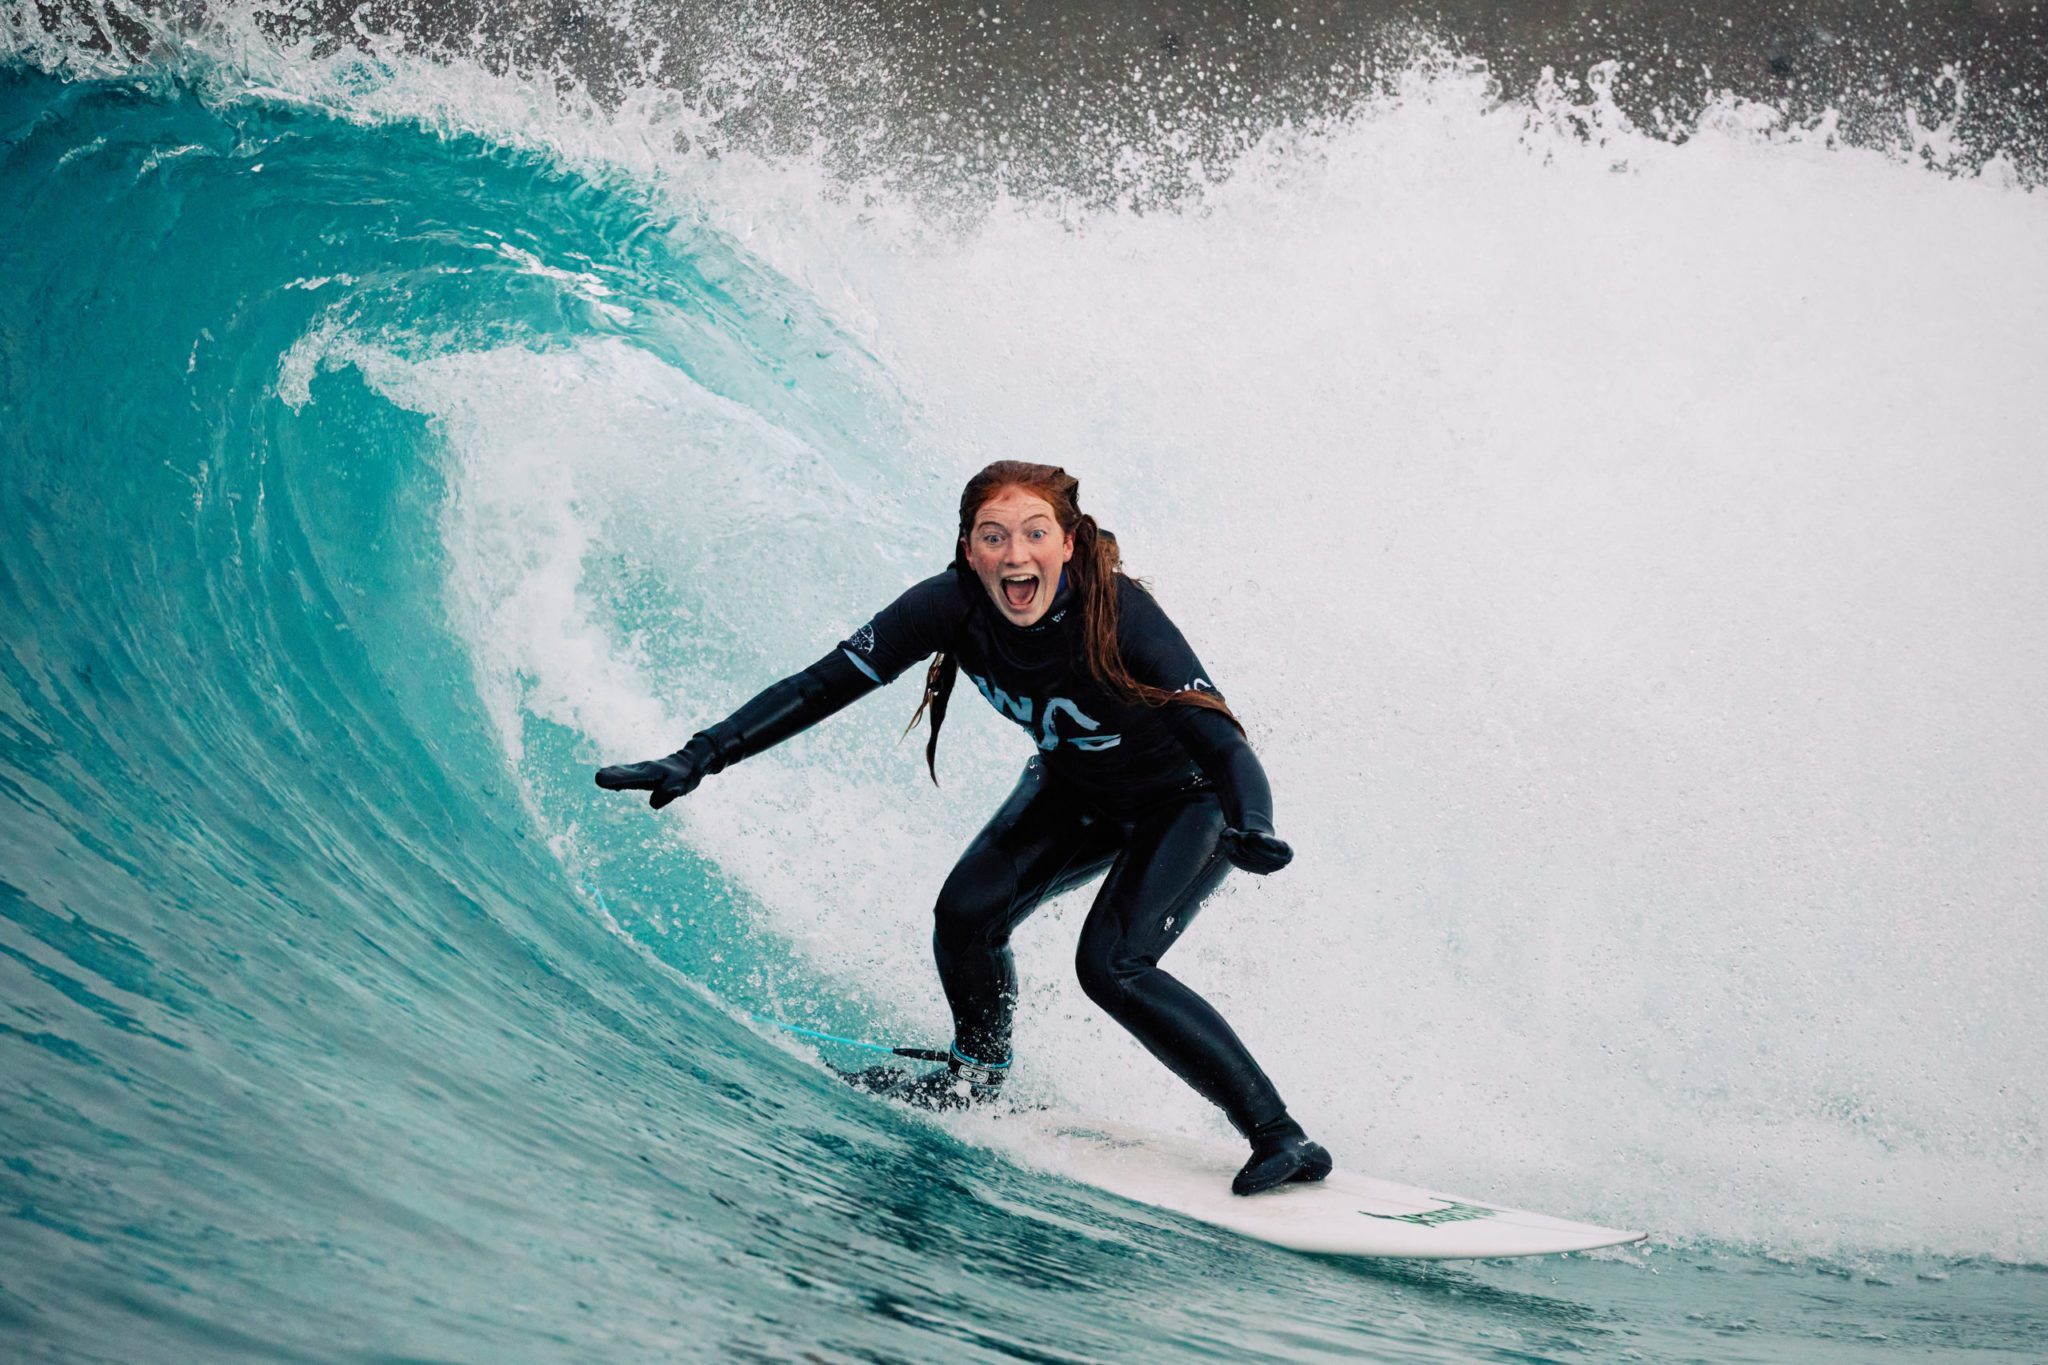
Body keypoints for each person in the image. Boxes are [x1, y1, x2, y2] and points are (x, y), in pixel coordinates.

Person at [596, 461, 1331, 1196]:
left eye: (1035, 533)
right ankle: (976, 1079)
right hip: (1073, 787)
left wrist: (1253, 822)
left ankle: (1281, 1137)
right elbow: (824, 684)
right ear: (969, 547)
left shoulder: (1121, 613)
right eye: (994, 536)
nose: (1016, 554)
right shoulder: (946, 607)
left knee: (1113, 965)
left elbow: (1224, 740)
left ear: (1069, 542)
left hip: (1188, 801)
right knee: (965, 915)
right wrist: (703, 754)